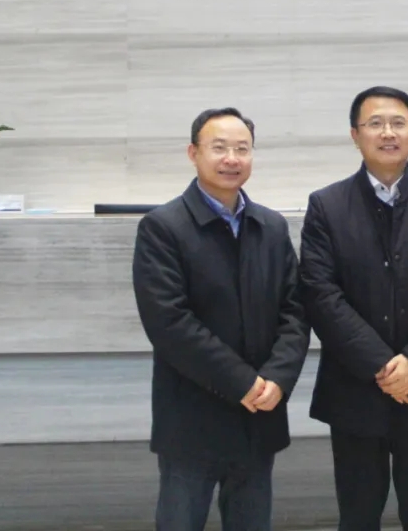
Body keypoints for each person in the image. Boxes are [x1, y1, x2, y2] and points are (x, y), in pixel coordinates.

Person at [299, 86, 408, 531]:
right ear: (355, 134)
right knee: (358, 515)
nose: (388, 133)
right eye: (375, 123)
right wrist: (382, 365)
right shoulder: (326, 205)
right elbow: (321, 293)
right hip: (355, 388)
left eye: (398, 123)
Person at [132, 107, 310, 531]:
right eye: (220, 148)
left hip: (259, 413)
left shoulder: (270, 226)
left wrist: (277, 378)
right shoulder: (163, 227)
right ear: (193, 153)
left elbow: (296, 310)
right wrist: (243, 382)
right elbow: (169, 323)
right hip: (191, 417)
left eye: (242, 149)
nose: (232, 158)